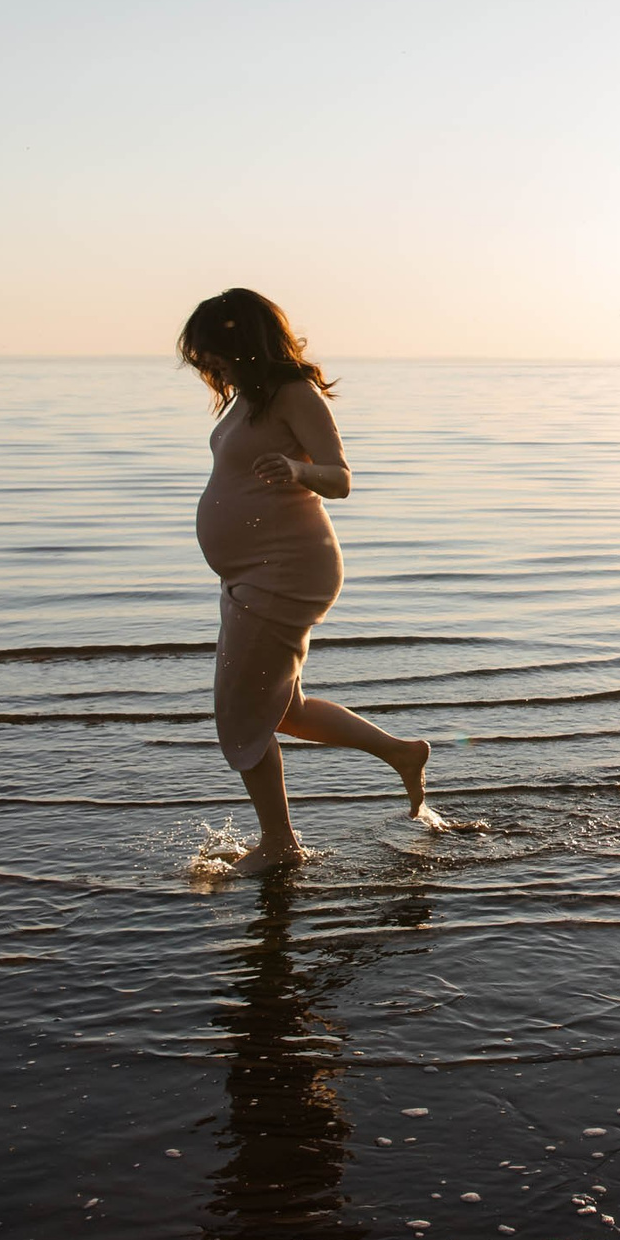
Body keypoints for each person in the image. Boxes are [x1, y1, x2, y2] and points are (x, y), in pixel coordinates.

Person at [181, 288, 438, 875]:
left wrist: (298, 469)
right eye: (201, 357)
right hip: (252, 572)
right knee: (283, 708)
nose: (207, 365)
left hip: (286, 570)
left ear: (243, 342)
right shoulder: (248, 400)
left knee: (241, 717)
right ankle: (400, 753)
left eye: (213, 352)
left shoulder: (294, 394)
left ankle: (280, 845)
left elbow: (340, 478)